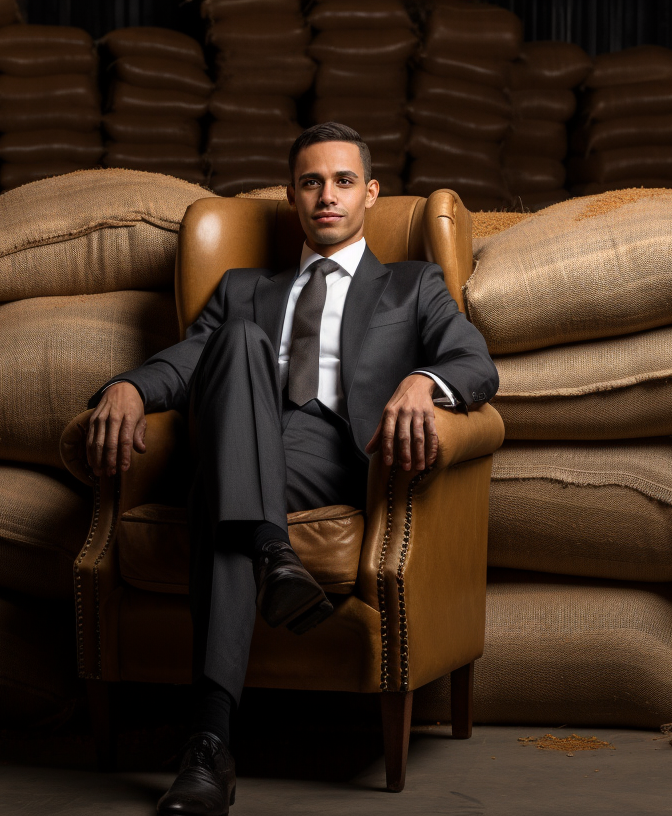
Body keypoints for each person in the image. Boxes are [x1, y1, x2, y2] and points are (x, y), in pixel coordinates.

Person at [84, 122, 499, 816]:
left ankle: (208, 744)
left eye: (342, 181)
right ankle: (269, 564)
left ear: (370, 193)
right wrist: (127, 387)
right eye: (310, 182)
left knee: (222, 496)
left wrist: (422, 382)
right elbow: (188, 364)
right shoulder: (244, 289)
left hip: (342, 456)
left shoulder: (412, 285)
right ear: (293, 196)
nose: (326, 196)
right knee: (237, 350)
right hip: (243, 444)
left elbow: (475, 364)